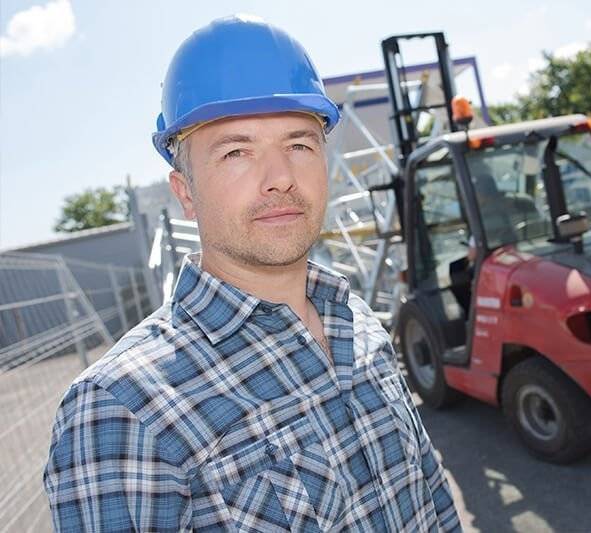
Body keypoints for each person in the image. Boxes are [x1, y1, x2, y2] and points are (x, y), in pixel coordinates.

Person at [43, 15, 460, 532]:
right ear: (185, 192)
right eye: (237, 152)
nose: (281, 177)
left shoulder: (361, 324)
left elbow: (431, 496)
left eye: (300, 145)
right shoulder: (122, 411)